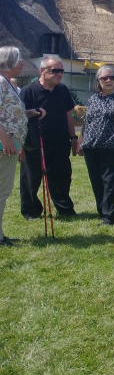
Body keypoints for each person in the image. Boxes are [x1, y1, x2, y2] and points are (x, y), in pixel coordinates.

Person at [19, 56, 80, 220]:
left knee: (62, 176)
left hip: (60, 141)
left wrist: (73, 137)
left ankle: (64, 208)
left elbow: (69, 114)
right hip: (34, 142)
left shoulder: (63, 90)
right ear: (42, 71)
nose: (59, 74)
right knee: (31, 178)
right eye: (55, 71)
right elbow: (19, 117)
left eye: (61, 71)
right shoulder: (28, 91)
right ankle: (31, 211)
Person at [79, 65, 114, 226]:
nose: (108, 80)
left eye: (111, 77)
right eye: (104, 78)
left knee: (112, 182)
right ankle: (103, 212)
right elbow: (87, 122)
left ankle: (112, 217)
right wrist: (80, 141)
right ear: (98, 81)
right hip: (91, 146)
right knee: (97, 181)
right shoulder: (93, 99)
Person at [0, 47, 46, 245]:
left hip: (10, 144)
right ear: (7, 61)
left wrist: (29, 113)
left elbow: (9, 113)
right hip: (4, 144)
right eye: (18, 60)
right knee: (2, 190)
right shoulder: (1, 82)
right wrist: (6, 140)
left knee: (3, 190)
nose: (22, 64)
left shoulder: (7, 83)